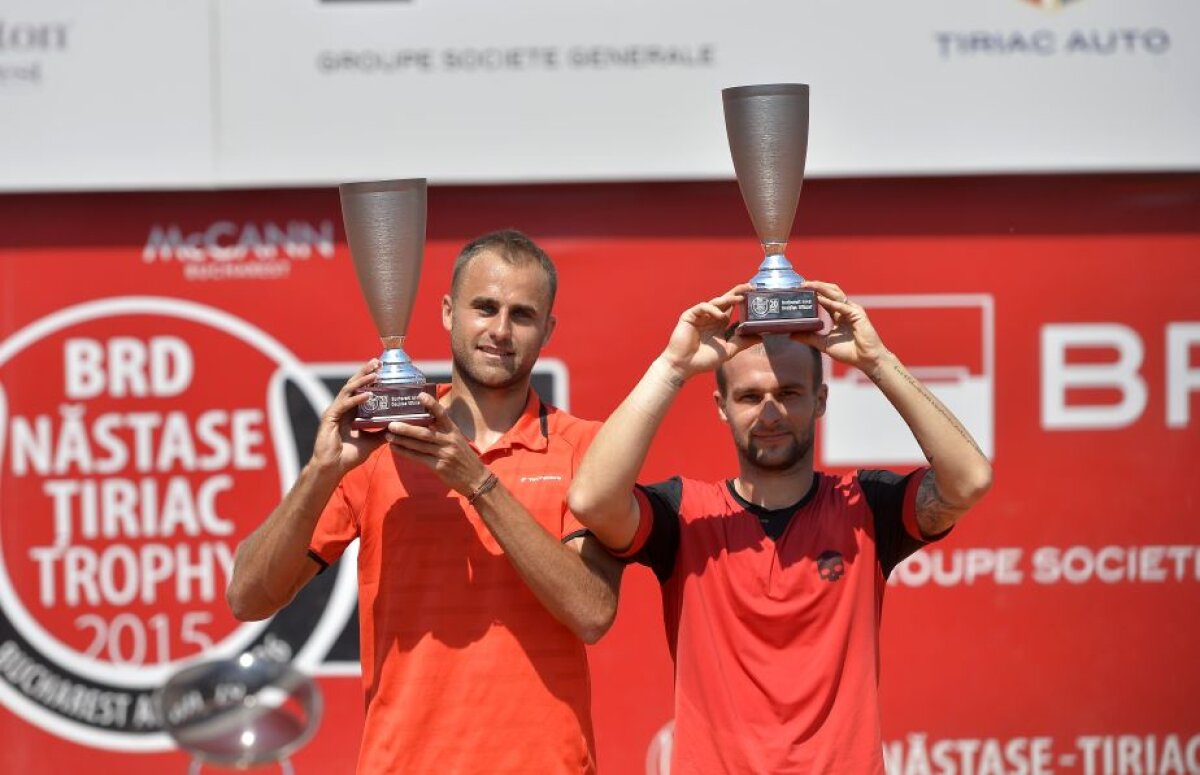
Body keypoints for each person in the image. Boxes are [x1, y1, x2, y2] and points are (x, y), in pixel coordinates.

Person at [226, 229, 624, 774]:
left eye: (522, 315)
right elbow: (248, 597)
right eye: (484, 307)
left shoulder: (586, 446)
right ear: (447, 312)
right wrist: (322, 470)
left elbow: (592, 613)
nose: (501, 330)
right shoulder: (380, 444)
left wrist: (477, 483)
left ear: (548, 330)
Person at [567, 280, 993, 774]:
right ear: (721, 407)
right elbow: (590, 498)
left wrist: (878, 362)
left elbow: (970, 480)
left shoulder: (864, 507)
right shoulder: (686, 515)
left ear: (821, 400)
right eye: (749, 396)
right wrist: (672, 368)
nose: (769, 412)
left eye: (789, 393)